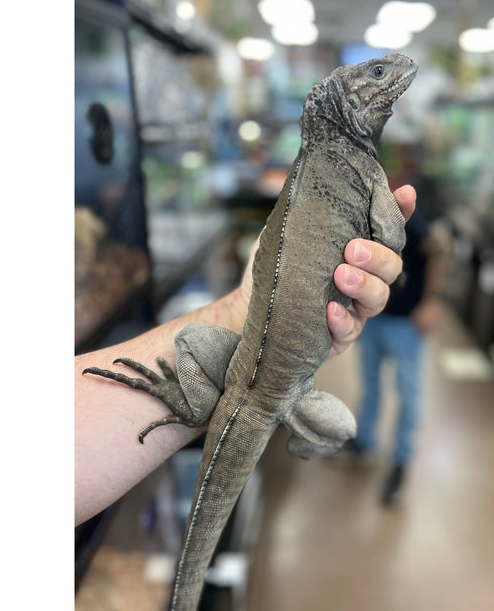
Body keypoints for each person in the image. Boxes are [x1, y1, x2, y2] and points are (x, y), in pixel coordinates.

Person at [75, 185, 416, 526]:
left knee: (345, 427)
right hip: (266, 372)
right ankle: (200, 406)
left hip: (286, 379)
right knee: (344, 425)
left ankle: (205, 407)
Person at [350, 205, 452, 506]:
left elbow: (441, 252)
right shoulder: (362, 212)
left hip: (406, 323)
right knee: (370, 385)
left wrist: (432, 302)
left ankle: (400, 463)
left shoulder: (410, 217)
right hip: (374, 317)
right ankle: (364, 444)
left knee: (408, 395)